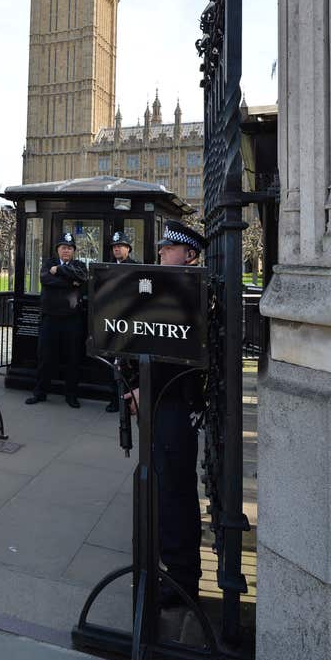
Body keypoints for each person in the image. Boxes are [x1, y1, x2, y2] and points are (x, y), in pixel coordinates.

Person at [127, 219, 208, 608]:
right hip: (166, 404)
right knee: (167, 490)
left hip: (174, 406)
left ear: (189, 255)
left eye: (168, 249)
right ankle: (177, 573)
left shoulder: (188, 293)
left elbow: (175, 359)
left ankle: (181, 583)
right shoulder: (179, 289)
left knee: (174, 494)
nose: (160, 252)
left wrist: (146, 387)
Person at [25, 232, 88, 409]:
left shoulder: (79, 265)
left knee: (72, 359)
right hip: (50, 319)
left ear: (73, 251)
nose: (66, 250)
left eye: (69, 248)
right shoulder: (48, 264)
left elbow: (82, 278)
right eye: (63, 247)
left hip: (72, 320)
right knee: (45, 357)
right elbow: (45, 279)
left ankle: (71, 395)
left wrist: (60, 271)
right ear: (58, 250)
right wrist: (70, 281)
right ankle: (40, 392)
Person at [105, 231, 136, 412]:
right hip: (111, 321)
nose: (117, 248)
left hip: (129, 321)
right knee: (112, 362)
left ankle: (127, 400)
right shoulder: (108, 267)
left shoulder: (136, 267)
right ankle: (114, 400)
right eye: (114, 246)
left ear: (128, 249)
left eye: (120, 246)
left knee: (127, 364)